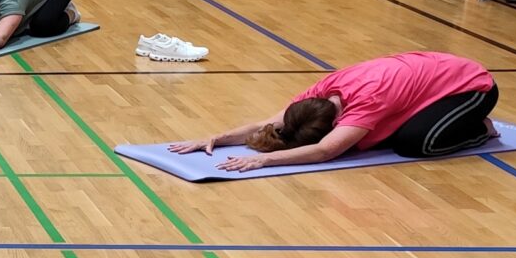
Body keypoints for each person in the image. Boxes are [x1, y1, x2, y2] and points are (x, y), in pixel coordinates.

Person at [169, 50, 498, 171]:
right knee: (387, 135)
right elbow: (271, 121)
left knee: (413, 144)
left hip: (470, 86)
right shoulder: (318, 95)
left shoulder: (367, 102)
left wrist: (263, 159)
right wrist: (216, 138)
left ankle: (480, 128)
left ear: (338, 122)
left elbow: (326, 150)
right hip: (426, 81)